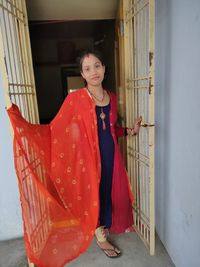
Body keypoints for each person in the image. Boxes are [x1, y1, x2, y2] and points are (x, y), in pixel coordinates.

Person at [78, 49, 142, 258]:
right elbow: (64, 130)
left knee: (107, 190)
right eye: (87, 68)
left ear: (104, 68)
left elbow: (111, 129)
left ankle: (103, 226)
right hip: (90, 158)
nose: (93, 71)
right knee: (95, 192)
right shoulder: (78, 100)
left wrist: (129, 131)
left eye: (97, 66)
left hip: (111, 156)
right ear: (82, 74)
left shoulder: (112, 98)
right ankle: (100, 237)